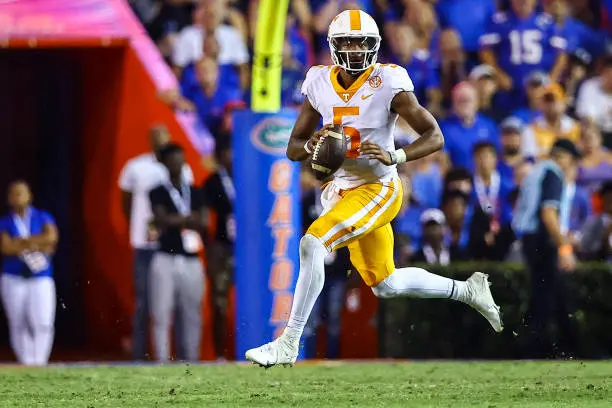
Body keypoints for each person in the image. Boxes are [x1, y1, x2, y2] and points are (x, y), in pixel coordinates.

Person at [245, 9, 503, 368]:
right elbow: (293, 147)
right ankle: (468, 290)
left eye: (361, 42)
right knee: (386, 283)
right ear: (333, 46)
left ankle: (288, 342)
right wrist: (313, 145)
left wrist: (395, 154)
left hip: (379, 187)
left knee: (312, 244)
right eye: (347, 42)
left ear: (375, 46)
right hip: (343, 188)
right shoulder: (318, 82)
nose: (354, 50)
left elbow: (435, 136)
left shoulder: (389, 83)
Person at [118, 125, 194, 360]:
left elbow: (188, 200)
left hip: (177, 245)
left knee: (181, 303)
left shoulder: (183, 167)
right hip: (145, 245)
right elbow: (126, 202)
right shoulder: (135, 166)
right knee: (144, 301)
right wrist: (140, 227)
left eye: (163, 137)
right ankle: (140, 356)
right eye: (155, 138)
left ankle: (184, 358)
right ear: (149, 141)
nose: (159, 142)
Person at [512, 138, 581, 359]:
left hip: (530, 239)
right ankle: (538, 349)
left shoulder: (538, 170)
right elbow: (548, 213)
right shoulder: (553, 173)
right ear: (565, 158)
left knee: (551, 294)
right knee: (544, 297)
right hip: (541, 240)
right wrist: (564, 247)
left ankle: (565, 346)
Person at [148, 143, 207, 362]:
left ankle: (192, 361)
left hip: (191, 259)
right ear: (164, 163)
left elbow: (203, 221)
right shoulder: (157, 191)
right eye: (173, 159)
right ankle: (162, 361)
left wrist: (177, 220)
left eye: (181, 158)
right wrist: (187, 219)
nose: (178, 163)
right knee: (162, 313)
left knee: (192, 314)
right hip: (165, 257)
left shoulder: (195, 191)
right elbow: (161, 219)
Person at [0, 181, 58, 366]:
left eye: (21, 193)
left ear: (29, 195)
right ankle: (26, 362)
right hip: (13, 276)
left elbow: (51, 238)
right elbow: (6, 247)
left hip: (40, 276)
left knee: (43, 322)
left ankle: (39, 362)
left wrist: (21, 242)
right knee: (18, 322)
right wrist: (36, 243)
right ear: (9, 198)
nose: (17, 197)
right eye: (13, 194)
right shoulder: (5, 221)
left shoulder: (42, 217)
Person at [479, 0, 568, 116]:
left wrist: (551, 81)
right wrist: (499, 74)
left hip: (539, 88)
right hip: (510, 88)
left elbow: (561, 55)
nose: (523, 1)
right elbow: (486, 51)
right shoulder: (498, 21)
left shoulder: (547, 22)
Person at [200, 138, 235, 361]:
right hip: (223, 248)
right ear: (220, 156)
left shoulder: (249, 175)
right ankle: (220, 355)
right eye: (228, 152)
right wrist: (210, 247)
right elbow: (204, 219)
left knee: (256, 300)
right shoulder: (212, 182)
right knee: (220, 303)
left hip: (249, 249)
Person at [521, 82, 580, 159]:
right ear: (541, 105)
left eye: (554, 100)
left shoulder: (574, 128)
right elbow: (529, 158)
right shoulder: (531, 130)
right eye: (547, 101)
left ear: (563, 103)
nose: (550, 105)